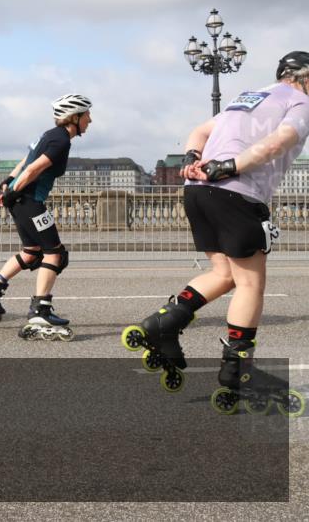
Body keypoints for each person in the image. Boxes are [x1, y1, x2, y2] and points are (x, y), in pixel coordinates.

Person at [123, 51, 309, 414]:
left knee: (224, 274)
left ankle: (161, 325)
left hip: (197, 192)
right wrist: (230, 166)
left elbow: (201, 131)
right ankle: (238, 369)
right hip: (236, 193)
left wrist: (195, 158)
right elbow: (280, 142)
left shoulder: (247, 98)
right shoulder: (300, 101)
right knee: (251, 284)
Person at [0, 94, 93, 341]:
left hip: (22, 201)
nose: (90, 119)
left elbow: (26, 161)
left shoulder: (48, 135)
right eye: (87, 115)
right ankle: (40, 311)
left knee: (31, 251)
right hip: (30, 202)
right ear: (75, 117)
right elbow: (34, 169)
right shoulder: (62, 140)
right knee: (55, 254)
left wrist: (6, 184)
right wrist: (12, 191)